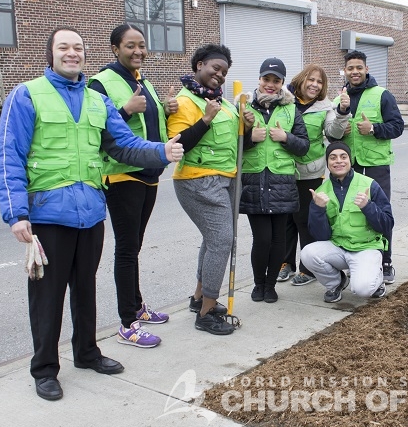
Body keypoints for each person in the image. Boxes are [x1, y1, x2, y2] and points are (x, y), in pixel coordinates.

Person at [0, 26, 184, 401]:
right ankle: (45, 368)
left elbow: (123, 144)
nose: (71, 53)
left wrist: (161, 152)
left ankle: (87, 352)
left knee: (85, 287)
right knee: (47, 296)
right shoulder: (27, 95)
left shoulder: (97, 99)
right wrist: (16, 213)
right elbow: (7, 156)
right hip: (48, 215)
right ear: (50, 54)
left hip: (91, 212)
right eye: (63, 47)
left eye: (78, 47)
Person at [87, 24, 177, 349]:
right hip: (123, 175)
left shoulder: (143, 82)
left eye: (141, 45)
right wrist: (125, 110)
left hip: (149, 173)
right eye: (130, 46)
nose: (138, 51)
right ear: (115, 49)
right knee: (126, 249)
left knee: (135, 247)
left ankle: (137, 305)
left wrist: (165, 110)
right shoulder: (101, 83)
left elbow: (152, 126)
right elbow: (97, 129)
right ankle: (128, 323)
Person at [166, 44, 240, 336]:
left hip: (226, 179)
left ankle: (199, 299)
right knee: (223, 240)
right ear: (199, 65)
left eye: (224, 72)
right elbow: (178, 145)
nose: (219, 75)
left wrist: (244, 121)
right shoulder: (183, 103)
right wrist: (206, 119)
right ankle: (207, 313)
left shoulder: (224, 103)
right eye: (215, 68)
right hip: (197, 180)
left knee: (213, 240)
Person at [240, 57, 309, 303]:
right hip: (254, 181)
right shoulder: (244, 106)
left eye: (276, 80)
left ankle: (271, 286)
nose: (270, 84)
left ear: (282, 83)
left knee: (279, 238)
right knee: (262, 239)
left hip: (282, 181)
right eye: (266, 79)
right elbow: (233, 145)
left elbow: (303, 147)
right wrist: (249, 138)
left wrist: (285, 137)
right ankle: (258, 284)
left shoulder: (291, 109)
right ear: (259, 79)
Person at [333, 50, 403, 285]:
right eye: (350, 68)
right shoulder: (339, 99)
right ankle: (357, 259)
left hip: (376, 166)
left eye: (359, 68)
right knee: (351, 213)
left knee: (380, 213)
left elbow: (397, 127)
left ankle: (385, 262)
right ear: (345, 71)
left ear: (366, 69)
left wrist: (373, 128)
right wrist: (340, 130)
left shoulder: (382, 95)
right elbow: (332, 134)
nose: (354, 72)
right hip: (348, 167)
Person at [276, 64, 351, 286]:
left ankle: (307, 268)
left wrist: (342, 113)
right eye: (311, 80)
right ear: (301, 79)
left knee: (305, 219)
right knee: (285, 218)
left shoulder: (325, 107)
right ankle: (285, 262)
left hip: (310, 171)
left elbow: (334, 133)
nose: (315, 85)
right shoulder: (284, 100)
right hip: (284, 168)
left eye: (319, 82)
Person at [302, 141, 394, 303]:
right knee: (308, 253)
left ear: (350, 161)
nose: (338, 161)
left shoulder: (369, 184)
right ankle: (336, 283)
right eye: (333, 158)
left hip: (366, 247)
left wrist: (368, 206)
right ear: (328, 163)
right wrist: (318, 210)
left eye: (343, 157)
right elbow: (320, 235)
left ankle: (377, 278)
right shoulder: (321, 192)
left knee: (362, 290)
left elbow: (387, 224)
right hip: (339, 247)